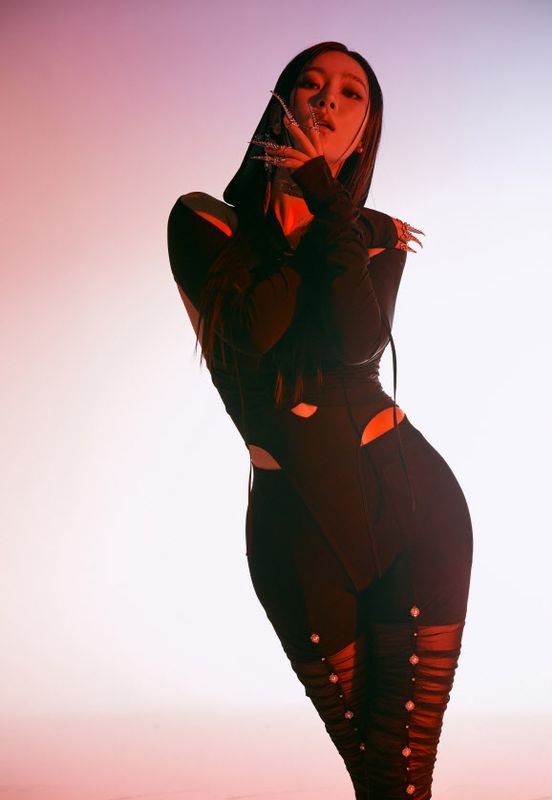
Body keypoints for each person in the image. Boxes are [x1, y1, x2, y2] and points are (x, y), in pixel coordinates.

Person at [167, 40, 473, 800]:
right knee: (380, 779)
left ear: (363, 135)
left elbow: (356, 342)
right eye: (310, 84)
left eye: (350, 93)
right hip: (295, 528)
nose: (328, 99)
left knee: (400, 778)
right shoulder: (203, 222)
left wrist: (333, 209)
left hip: (411, 505)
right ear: (280, 105)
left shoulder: (367, 238)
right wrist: (321, 211)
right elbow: (253, 331)